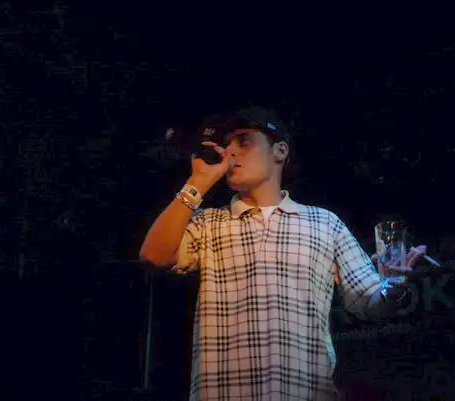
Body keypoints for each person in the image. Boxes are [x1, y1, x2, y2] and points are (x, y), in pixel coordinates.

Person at [139, 106, 427, 400]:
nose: (230, 152)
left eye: (244, 141)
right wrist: (198, 182)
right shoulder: (208, 223)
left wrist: (393, 285)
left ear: (279, 151)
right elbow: (154, 255)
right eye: (227, 144)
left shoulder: (324, 223)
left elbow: (369, 299)